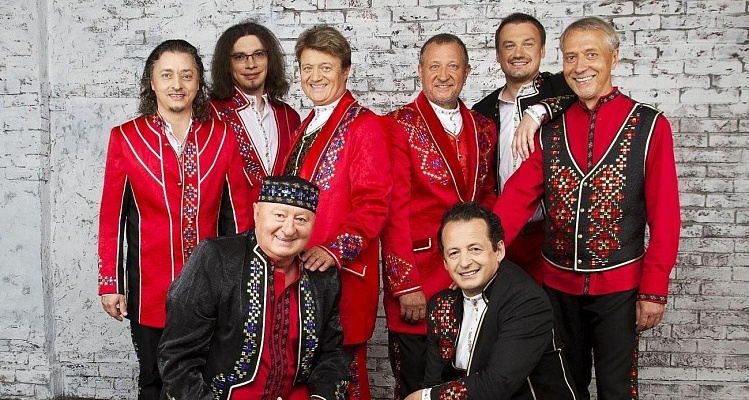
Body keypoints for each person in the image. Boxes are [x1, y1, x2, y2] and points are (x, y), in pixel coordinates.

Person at [494, 17, 681, 400]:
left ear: (614, 57)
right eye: (571, 57)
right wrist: (484, 248)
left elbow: (665, 217)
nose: (580, 67)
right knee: (563, 387)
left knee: (616, 389)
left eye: (591, 54)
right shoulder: (551, 129)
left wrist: (654, 289)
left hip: (621, 287)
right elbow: (516, 199)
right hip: (557, 286)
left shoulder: (649, 125)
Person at [97, 39, 252, 399]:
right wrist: (110, 283)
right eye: (166, 75)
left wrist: (242, 283)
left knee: (210, 381)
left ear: (198, 82)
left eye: (186, 75)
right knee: (153, 382)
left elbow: (238, 216)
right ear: (152, 82)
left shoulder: (223, 136)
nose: (177, 84)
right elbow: (111, 217)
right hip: (149, 289)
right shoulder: (125, 138)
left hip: (212, 291)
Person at [158, 176, 350, 400]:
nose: (289, 230)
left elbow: (331, 356)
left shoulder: (322, 277)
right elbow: (177, 359)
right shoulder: (216, 259)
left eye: (301, 219)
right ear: (257, 213)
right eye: (279, 215)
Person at [381, 33, 497, 399]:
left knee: (465, 382)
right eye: (434, 66)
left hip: (473, 275)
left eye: (452, 66)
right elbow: (392, 212)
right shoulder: (397, 124)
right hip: (421, 276)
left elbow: (488, 196)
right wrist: (405, 285)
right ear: (420, 71)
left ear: (467, 72)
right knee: (417, 383)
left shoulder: (484, 126)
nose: (443, 75)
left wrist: (488, 258)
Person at [282, 25, 392, 400]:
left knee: (342, 381)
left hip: (340, 276)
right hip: (297, 276)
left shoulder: (365, 125)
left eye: (326, 67)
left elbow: (373, 205)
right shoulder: (305, 125)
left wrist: (333, 249)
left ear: (345, 71)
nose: (315, 76)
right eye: (307, 68)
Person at [403, 201, 577, 400]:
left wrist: (425, 397)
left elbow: (499, 384)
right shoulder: (441, 305)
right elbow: (434, 382)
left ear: (499, 250)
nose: (465, 262)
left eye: (475, 249)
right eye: (454, 253)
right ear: (445, 262)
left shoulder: (526, 302)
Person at [472, 12, 575, 284]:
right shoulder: (483, 110)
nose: (518, 53)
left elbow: (586, 90)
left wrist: (539, 111)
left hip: (553, 236)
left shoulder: (562, 88)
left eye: (527, 44)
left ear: (542, 50)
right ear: (498, 55)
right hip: (503, 233)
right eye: (509, 45)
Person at [209, 21, 301, 208]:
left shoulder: (289, 117)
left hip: (283, 223)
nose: (251, 64)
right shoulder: (211, 114)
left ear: (269, 59)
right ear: (227, 64)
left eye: (259, 55)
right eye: (240, 57)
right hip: (232, 224)